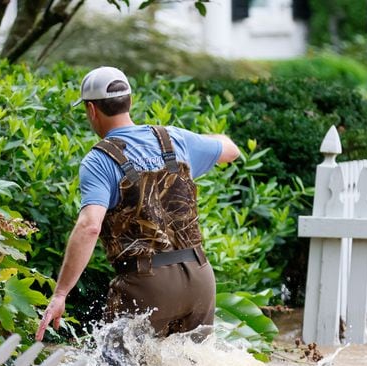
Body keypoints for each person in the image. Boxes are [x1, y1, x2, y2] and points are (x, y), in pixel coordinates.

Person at [36, 66, 239, 342]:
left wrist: (60, 294)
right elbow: (231, 150)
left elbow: (89, 227)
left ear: (92, 110)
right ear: (130, 102)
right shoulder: (174, 138)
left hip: (147, 284)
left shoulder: (98, 161)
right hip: (200, 279)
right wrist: (205, 140)